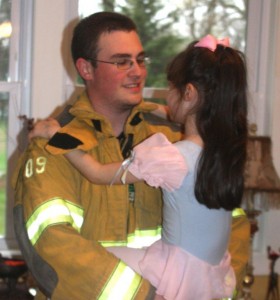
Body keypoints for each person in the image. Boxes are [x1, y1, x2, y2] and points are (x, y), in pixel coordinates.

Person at [12, 11, 250, 300]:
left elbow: (232, 222)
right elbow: (52, 245)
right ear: (86, 69)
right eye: (122, 61)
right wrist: (146, 296)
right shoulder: (50, 149)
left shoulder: (174, 139)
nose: (137, 71)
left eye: (140, 60)